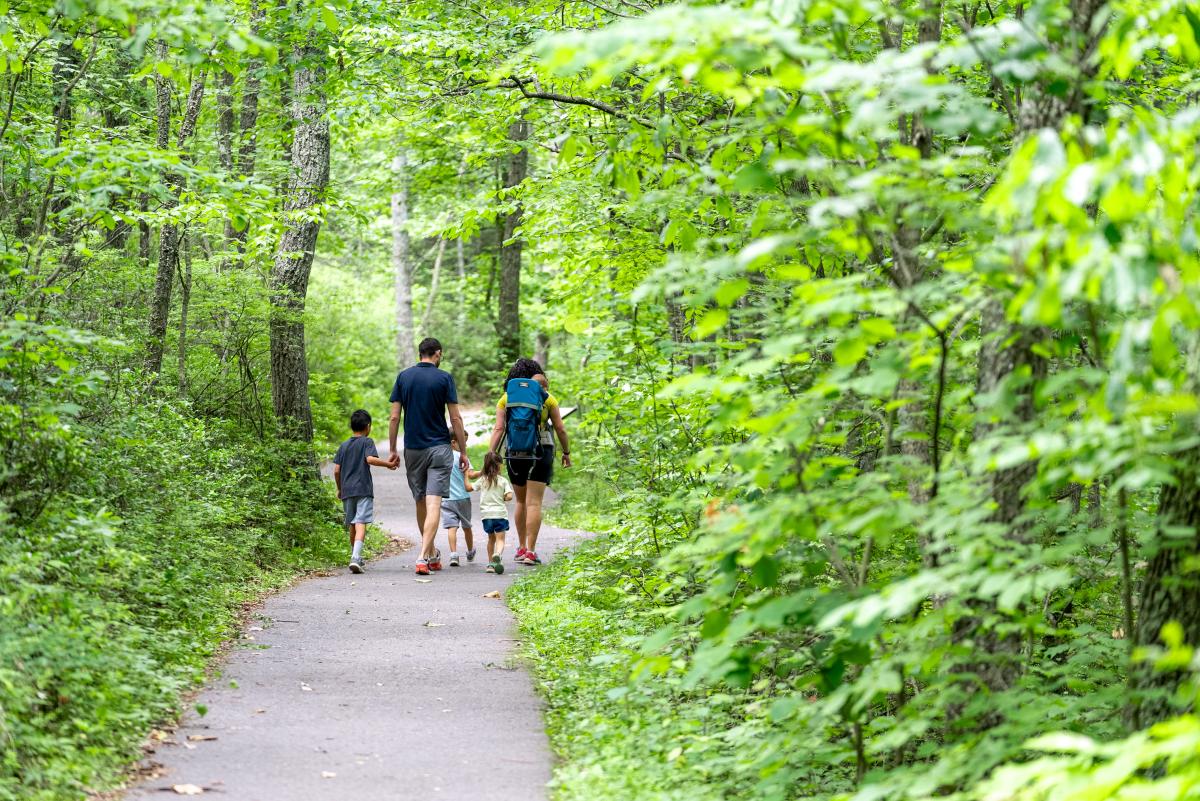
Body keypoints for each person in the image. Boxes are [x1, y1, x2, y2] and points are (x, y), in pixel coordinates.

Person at [389, 337, 469, 576]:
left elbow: (394, 417)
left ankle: (430, 554)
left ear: (419, 353)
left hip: (413, 448)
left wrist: (393, 449)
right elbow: (455, 419)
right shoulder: (444, 378)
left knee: (421, 501)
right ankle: (424, 555)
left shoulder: (404, 377)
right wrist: (463, 451)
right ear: (438, 353)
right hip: (439, 449)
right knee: (434, 502)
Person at [488, 358, 571, 566]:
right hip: (541, 451)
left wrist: (491, 452)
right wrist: (566, 452)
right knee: (535, 502)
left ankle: (521, 546)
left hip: (515, 452)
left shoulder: (506, 397)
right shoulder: (548, 398)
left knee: (521, 501)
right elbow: (560, 428)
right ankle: (531, 552)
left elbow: (499, 428)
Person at [332, 409, 397, 574]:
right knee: (361, 522)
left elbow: (336, 471)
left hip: (347, 490)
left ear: (351, 426)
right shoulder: (367, 442)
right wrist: (388, 464)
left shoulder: (343, 445)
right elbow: (370, 459)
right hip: (363, 488)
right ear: (368, 426)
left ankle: (355, 556)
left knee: (353, 523)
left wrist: (340, 488)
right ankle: (355, 557)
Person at [475, 450, 514, 574]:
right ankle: (497, 554)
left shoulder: (482, 480)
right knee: (500, 539)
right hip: (500, 515)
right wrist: (503, 497)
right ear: (500, 465)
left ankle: (490, 564)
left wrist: (465, 475)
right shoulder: (502, 481)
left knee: (491, 539)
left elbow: (469, 487)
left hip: (487, 516)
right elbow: (509, 496)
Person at [441, 445, 476, 567]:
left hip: (446, 498)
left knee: (452, 527)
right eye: (462, 441)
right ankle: (470, 551)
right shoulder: (461, 457)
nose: (465, 444)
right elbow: (471, 474)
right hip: (463, 498)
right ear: (453, 441)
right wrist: (483, 472)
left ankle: (454, 554)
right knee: (467, 526)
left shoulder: (441, 456)